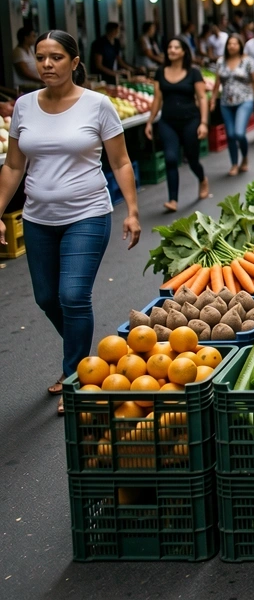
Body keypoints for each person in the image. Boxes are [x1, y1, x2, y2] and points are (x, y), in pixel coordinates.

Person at [0, 31, 141, 414]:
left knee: (73, 297)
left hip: (88, 214)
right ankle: (90, 359)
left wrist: (131, 209)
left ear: (75, 62)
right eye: (41, 57)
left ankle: (75, 379)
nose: (47, 64)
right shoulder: (24, 106)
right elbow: (14, 165)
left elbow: (121, 162)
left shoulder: (98, 105)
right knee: (47, 297)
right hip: (37, 218)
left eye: (57, 57)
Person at [145, 38, 210, 211]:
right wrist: (150, 121)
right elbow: (157, 98)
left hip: (191, 121)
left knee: (192, 159)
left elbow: (202, 98)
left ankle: (202, 179)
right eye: (169, 47)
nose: (172, 50)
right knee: (171, 159)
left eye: (176, 47)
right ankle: (173, 200)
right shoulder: (160, 72)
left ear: (183, 52)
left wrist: (203, 123)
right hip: (168, 122)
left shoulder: (193, 72)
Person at [212, 34, 254, 176]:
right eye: (229, 43)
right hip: (226, 102)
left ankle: (244, 157)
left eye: (235, 43)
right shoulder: (221, 62)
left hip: (245, 100)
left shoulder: (247, 61)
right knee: (230, 134)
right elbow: (217, 83)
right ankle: (234, 163)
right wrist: (213, 99)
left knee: (239, 132)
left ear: (240, 46)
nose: (232, 46)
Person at [11, 25, 41, 90]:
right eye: (33, 36)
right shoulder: (18, 52)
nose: (35, 38)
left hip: (35, 85)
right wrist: (41, 80)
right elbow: (24, 72)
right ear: (26, 38)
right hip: (25, 87)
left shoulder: (31, 50)